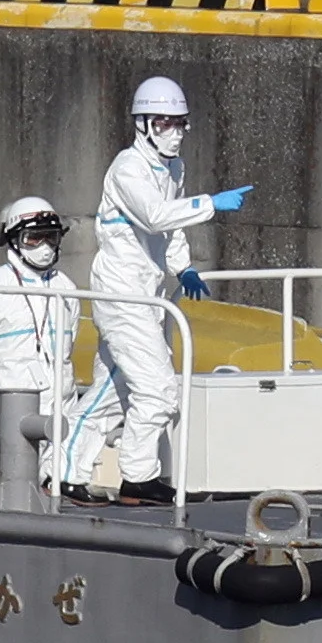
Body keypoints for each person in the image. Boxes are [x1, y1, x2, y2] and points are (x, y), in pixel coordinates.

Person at [90, 76, 249, 506]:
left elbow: (172, 228)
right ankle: (138, 480)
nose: (174, 133)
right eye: (164, 123)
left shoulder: (173, 169)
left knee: (109, 393)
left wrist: (183, 267)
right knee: (158, 390)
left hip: (149, 293)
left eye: (180, 124)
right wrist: (211, 203)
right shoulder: (128, 168)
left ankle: (61, 472)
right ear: (143, 125)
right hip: (123, 294)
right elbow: (156, 216)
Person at [0, 196, 94, 491]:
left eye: (51, 237)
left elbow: (69, 344)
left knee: (55, 488)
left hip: (59, 406)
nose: (45, 246)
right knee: (9, 487)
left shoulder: (66, 288)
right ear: (14, 240)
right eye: (34, 238)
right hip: (4, 411)